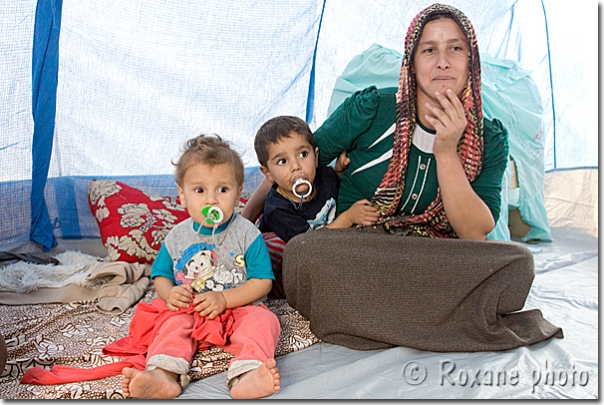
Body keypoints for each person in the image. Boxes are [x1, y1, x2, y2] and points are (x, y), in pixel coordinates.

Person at [243, 4, 562, 352]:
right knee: (304, 252)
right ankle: (436, 318)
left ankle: (370, 320)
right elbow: (293, 162)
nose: (443, 61)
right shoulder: (371, 110)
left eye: (455, 48)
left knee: (517, 262)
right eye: (429, 50)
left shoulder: (489, 139)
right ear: (410, 61)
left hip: (433, 255)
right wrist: (241, 224)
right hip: (360, 250)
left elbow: (474, 232)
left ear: (472, 61)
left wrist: (446, 151)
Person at [121, 134, 281, 399]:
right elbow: (160, 275)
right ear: (182, 196)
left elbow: (263, 281)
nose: (211, 200)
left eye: (222, 190)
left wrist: (225, 298)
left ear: (238, 193)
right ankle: (163, 374)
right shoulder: (177, 236)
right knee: (172, 325)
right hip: (191, 309)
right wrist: (169, 293)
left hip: (239, 308)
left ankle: (248, 372)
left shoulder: (247, 233)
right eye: (199, 190)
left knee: (265, 321)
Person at [253, 116, 379, 297]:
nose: (296, 166)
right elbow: (309, 244)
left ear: (316, 155)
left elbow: (335, 181)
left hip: (321, 244)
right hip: (296, 248)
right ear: (268, 173)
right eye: (282, 161)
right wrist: (349, 218)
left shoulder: (324, 177)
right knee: (271, 246)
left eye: (303, 154)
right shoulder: (277, 209)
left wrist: (339, 170)